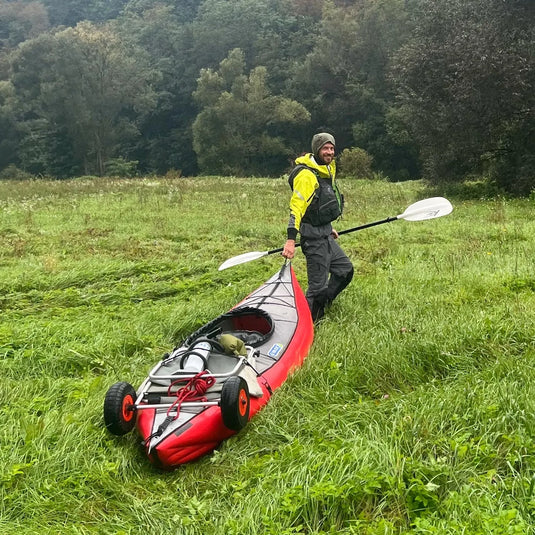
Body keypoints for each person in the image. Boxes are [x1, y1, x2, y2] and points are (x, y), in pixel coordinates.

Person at [282, 132, 354, 322]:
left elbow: (320, 204)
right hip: (313, 240)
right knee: (317, 289)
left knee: (345, 270)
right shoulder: (306, 175)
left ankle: (323, 304)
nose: (329, 152)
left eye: (331, 148)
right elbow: (297, 209)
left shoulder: (327, 168)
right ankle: (308, 324)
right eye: (325, 148)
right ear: (317, 149)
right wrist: (290, 241)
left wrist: (327, 227)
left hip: (325, 235)